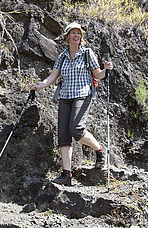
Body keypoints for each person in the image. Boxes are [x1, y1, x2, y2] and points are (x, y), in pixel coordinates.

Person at [30, 22, 113, 186]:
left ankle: (100, 150)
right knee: (63, 135)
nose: (77, 36)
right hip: (65, 96)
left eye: (79, 33)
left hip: (82, 95)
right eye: (73, 33)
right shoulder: (62, 56)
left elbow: (98, 75)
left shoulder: (87, 53)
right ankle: (66, 174)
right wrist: (38, 86)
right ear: (67, 37)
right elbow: (52, 77)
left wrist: (106, 69)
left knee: (76, 128)